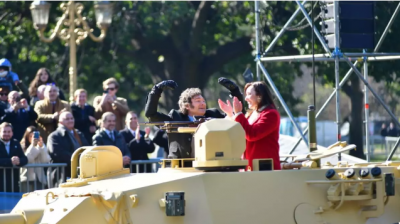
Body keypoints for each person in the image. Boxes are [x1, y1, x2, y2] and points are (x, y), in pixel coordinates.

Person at [144, 78, 244, 159]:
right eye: (198, 101)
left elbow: (239, 117)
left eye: (203, 101)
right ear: (187, 106)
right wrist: (156, 90)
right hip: (182, 168)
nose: (202, 103)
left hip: (210, 166)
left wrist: (235, 91)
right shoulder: (175, 116)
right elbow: (151, 115)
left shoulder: (214, 114)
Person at [218, 81, 281, 170]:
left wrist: (239, 113)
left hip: (265, 168)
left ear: (260, 96)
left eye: (249, 94)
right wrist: (231, 114)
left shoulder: (270, 114)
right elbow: (241, 130)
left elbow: (252, 134)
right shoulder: (253, 114)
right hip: (252, 167)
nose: (246, 98)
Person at [47, 111, 89, 183]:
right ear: (60, 122)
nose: (70, 120)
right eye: (67, 119)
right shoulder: (54, 136)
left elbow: (87, 148)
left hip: (79, 173)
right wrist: (77, 159)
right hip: (61, 175)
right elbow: (57, 154)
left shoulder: (79, 134)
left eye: (71, 118)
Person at [19, 126, 51, 192]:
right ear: (27, 137)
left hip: (39, 179)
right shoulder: (22, 146)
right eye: (31, 136)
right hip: (27, 179)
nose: (33, 138)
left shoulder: (39, 146)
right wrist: (32, 145)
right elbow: (27, 159)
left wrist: (42, 147)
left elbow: (45, 160)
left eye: (35, 136)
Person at [0, 122, 28, 192]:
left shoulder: (15, 143)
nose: (6, 134)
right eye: (4, 132)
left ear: (12, 133)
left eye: (9, 132)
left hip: (13, 182)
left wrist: (19, 161)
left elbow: (25, 159)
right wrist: (10, 161)